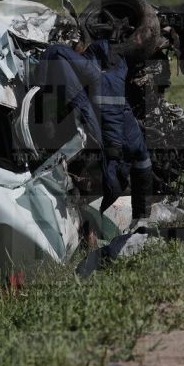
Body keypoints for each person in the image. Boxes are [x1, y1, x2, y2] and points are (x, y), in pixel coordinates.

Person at [36, 24, 153, 222]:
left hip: (108, 143)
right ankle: (139, 217)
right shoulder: (107, 68)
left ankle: (136, 217)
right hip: (114, 146)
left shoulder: (96, 70)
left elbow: (55, 51)